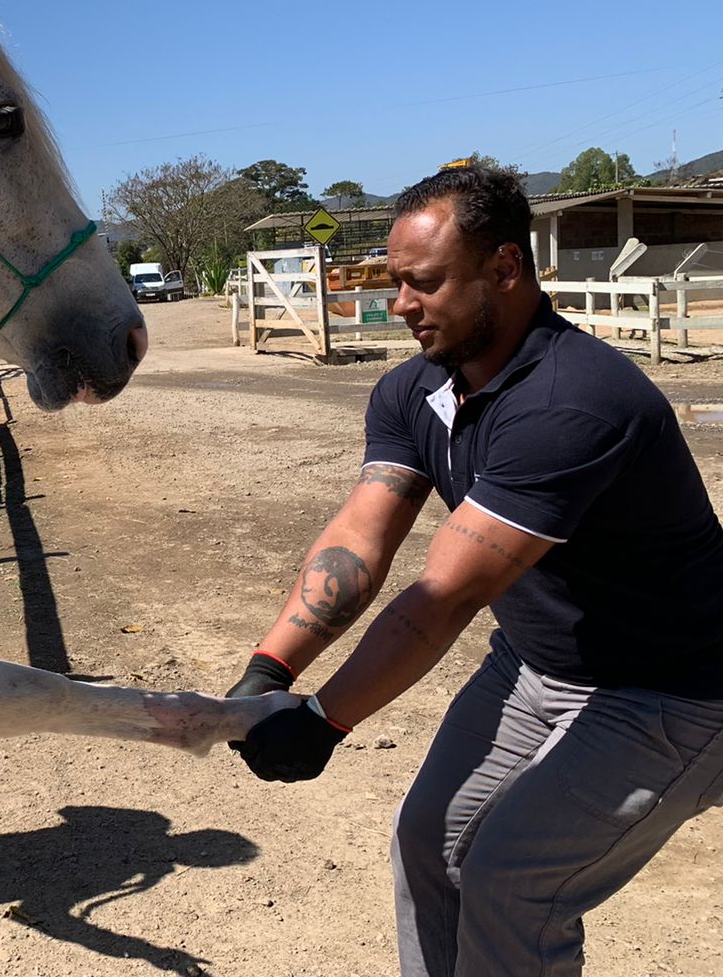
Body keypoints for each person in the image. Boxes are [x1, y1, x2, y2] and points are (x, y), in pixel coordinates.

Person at [225, 164, 723, 976]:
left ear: (505, 269)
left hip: (672, 687)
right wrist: (270, 666)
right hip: (534, 663)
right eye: (394, 282)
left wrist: (324, 719)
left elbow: (444, 597)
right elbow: (362, 535)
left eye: (424, 283)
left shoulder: (571, 404)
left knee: (513, 882)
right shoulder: (414, 390)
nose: (399, 305)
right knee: (427, 843)